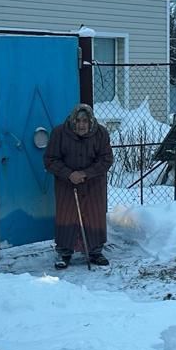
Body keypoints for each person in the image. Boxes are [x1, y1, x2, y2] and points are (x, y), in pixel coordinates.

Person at [43, 103, 114, 269]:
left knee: (94, 216)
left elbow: (106, 159)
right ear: (72, 121)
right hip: (67, 184)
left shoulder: (101, 133)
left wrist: (86, 173)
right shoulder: (59, 133)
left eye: (85, 121)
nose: (81, 125)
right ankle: (64, 253)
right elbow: (50, 160)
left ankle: (95, 251)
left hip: (94, 184)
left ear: (91, 121)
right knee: (67, 217)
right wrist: (69, 174)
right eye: (78, 121)